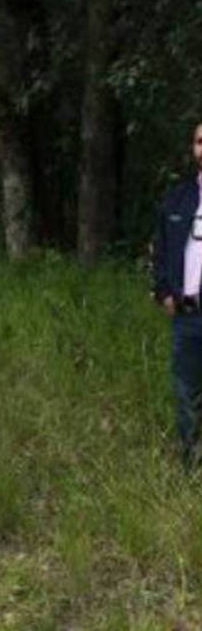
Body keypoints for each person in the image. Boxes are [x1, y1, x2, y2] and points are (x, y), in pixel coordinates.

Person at [151, 122, 202, 469]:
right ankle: (192, 465)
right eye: (201, 141)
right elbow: (160, 249)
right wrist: (163, 291)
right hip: (187, 316)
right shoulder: (177, 199)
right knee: (187, 394)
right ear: (193, 148)